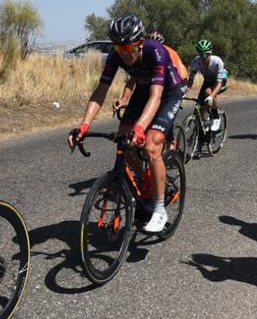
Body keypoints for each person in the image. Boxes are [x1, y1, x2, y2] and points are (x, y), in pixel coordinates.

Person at [68, 13, 187, 233]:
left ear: (139, 43)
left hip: (169, 90)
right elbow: (100, 91)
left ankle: (159, 208)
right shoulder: (116, 56)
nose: (124, 54)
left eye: (129, 48)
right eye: (119, 48)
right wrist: (84, 125)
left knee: (151, 146)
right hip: (144, 88)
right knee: (123, 139)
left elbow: (156, 97)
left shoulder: (155, 52)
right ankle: (144, 184)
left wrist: (141, 129)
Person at [187, 38, 229, 133]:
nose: (203, 56)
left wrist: (211, 96)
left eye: (206, 54)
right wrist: (185, 91)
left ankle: (216, 117)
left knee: (208, 93)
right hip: (208, 81)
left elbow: (219, 83)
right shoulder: (196, 62)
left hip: (221, 81)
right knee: (200, 104)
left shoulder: (217, 61)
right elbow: (191, 79)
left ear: (210, 53)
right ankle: (203, 124)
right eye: (201, 54)